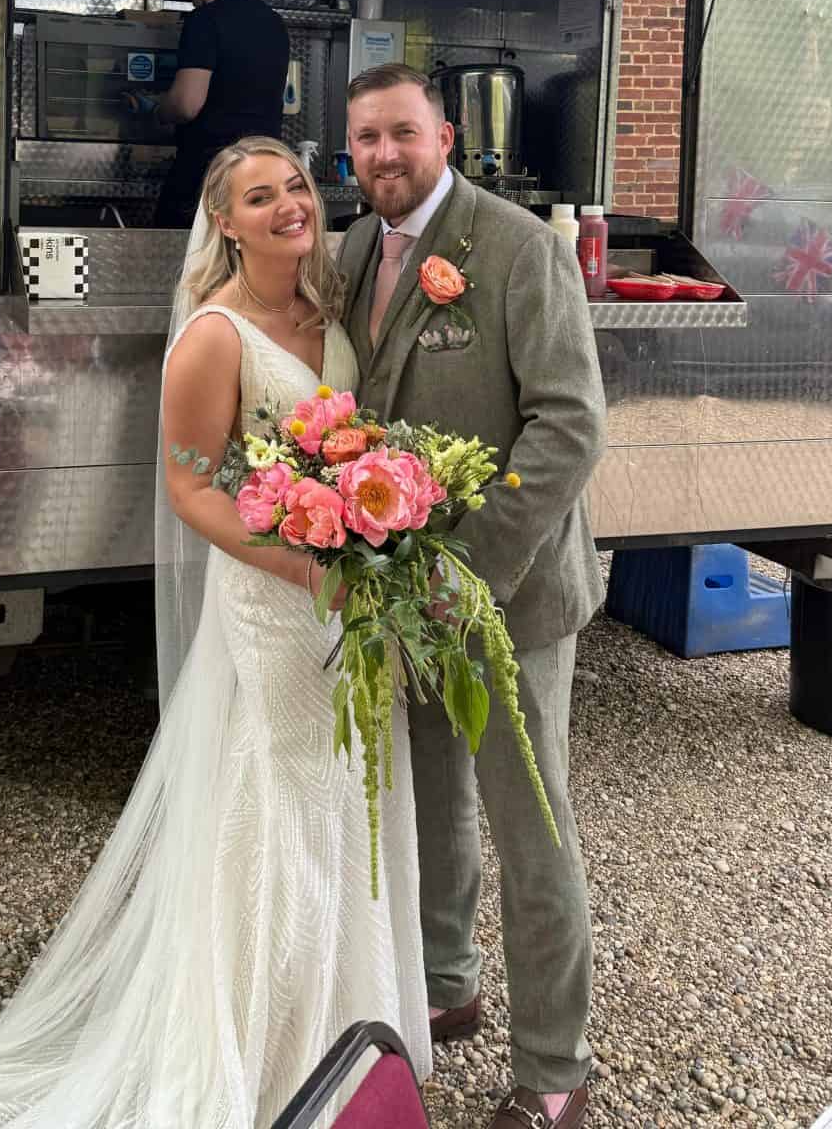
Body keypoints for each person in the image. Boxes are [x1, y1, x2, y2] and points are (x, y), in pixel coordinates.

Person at [0, 135, 430, 1129]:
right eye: (259, 195)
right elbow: (192, 486)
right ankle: (265, 1045)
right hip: (278, 599)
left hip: (346, 593)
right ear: (226, 223)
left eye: (293, 186)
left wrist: (371, 540)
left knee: (349, 797)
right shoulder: (216, 335)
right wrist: (304, 565)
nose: (288, 204)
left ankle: (350, 1026)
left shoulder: (327, 312)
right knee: (282, 807)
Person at [338, 63, 606, 1129]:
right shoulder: (357, 248)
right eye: (365, 139)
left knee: (529, 825)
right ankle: (446, 986)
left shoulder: (520, 248)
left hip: (509, 598)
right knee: (432, 801)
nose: (385, 156)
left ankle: (555, 1068)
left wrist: (472, 568)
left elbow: (569, 425)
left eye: (403, 134)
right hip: (402, 595)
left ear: (446, 135)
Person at [148, 0, 290, 228]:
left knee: (181, 257)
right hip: (264, 171)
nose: (193, 3)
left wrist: (158, 108)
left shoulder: (205, 20)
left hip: (210, 172)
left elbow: (187, 105)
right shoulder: (275, 23)